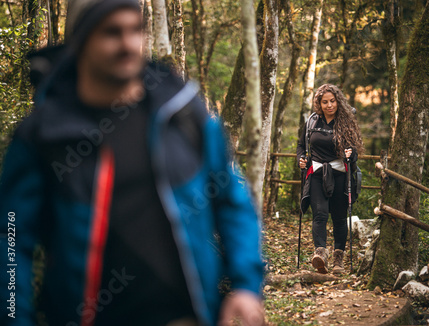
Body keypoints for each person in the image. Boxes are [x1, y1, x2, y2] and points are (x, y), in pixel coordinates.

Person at [0, 1, 264, 325]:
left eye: (135, 30)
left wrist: (246, 286)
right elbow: (11, 237)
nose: (128, 44)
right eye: (112, 32)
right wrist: (13, 315)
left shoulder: (181, 110)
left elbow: (232, 201)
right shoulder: (44, 133)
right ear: (81, 41)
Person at [296, 84, 364, 274]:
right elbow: (301, 146)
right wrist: (301, 160)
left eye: (332, 101)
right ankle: (321, 255)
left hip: (340, 173)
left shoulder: (346, 122)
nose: (329, 105)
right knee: (320, 214)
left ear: (338, 101)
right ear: (319, 103)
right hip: (317, 173)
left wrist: (351, 154)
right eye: (324, 102)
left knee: (340, 218)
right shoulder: (312, 121)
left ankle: (338, 260)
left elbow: (354, 150)